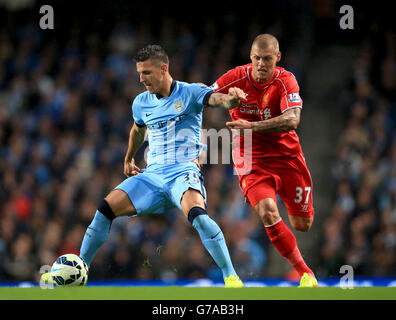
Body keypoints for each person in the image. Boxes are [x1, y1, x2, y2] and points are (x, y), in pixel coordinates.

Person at [41, 45, 245, 288]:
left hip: (183, 172)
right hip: (152, 176)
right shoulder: (141, 103)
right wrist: (128, 158)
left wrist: (230, 99)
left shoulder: (190, 92)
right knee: (105, 208)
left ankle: (231, 276)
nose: (141, 79)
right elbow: (138, 129)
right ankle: (81, 270)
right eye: (139, 73)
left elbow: (216, 99)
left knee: (198, 216)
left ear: (163, 69)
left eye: (147, 72)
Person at [211, 34, 318, 287]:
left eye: (267, 59)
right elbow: (205, 96)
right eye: (257, 58)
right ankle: (305, 273)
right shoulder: (235, 77)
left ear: (277, 58)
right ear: (251, 57)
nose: (261, 64)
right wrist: (227, 99)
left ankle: (303, 266)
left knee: (303, 224)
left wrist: (252, 126)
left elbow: (292, 120)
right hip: (251, 157)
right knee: (269, 212)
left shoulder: (285, 80)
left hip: (287, 156)